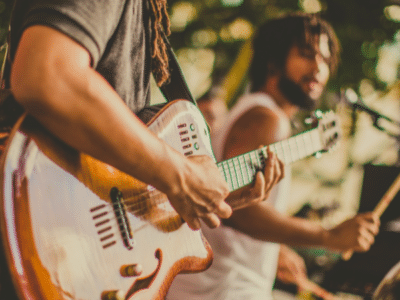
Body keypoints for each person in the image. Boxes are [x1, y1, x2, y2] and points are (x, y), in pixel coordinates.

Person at [1, 0, 286, 298]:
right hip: (38, 225)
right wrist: (181, 174)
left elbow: (115, 161)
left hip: (71, 242)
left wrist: (200, 194)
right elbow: (48, 74)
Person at [167, 12, 380, 300]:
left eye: (325, 59)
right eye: (306, 54)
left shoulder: (254, 111)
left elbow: (235, 197)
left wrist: (276, 248)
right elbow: (238, 212)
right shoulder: (265, 116)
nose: (319, 67)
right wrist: (328, 237)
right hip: (224, 288)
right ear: (273, 61)